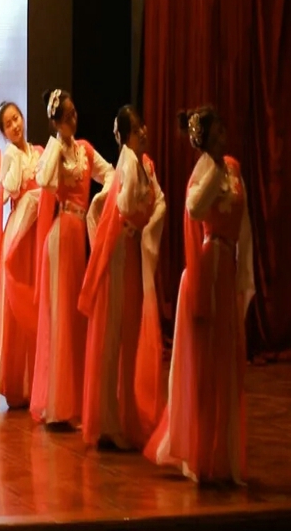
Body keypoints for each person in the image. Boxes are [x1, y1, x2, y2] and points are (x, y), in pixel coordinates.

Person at [145, 105, 254, 485]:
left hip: (227, 267)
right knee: (205, 364)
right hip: (206, 270)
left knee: (227, 362)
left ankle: (223, 454)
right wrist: (215, 172)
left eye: (223, 130)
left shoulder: (234, 169)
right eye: (216, 133)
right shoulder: (204, 173)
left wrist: (245, 278)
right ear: (204, 140)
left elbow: (244, 226)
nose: (223, 138)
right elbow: (193, 209)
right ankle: (201, 452)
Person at [78, 106, 166, 450]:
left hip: (132, 251)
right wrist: (142, 210)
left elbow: (160, 201)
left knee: (129, 333)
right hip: (120, 253)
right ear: (126, 136)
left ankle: (126, 417)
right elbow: (124, 205)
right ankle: (108, 421)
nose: (143, 132)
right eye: (137, 129)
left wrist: (150, 219)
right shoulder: (128, 163)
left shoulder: (144, 165)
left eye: (142, 126)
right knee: (114, 333)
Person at [30, 89, 114, 427]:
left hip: (79, 233)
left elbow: (110, 174)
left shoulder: (85, 150)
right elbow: (44, 180)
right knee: (61, 314)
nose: (73, 121)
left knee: (75, 316)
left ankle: (74, 399)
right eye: (66, 118)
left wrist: (99, 200)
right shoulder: (56, 151)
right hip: (62, 233)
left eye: (74, 114)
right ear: (56, 122)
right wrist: (55, 141)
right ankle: (58, 404)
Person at [0, 102, 43, 410]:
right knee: (15, 306)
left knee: (36, 300)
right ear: (3, 132)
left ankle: (36, 382)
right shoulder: (10, 156)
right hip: (19, 229)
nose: (15, 126)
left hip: (37, 230)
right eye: (8, 124)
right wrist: (14, 157)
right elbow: (13, 189)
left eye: (16, 119)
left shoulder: (39, 151)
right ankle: (15, 383)